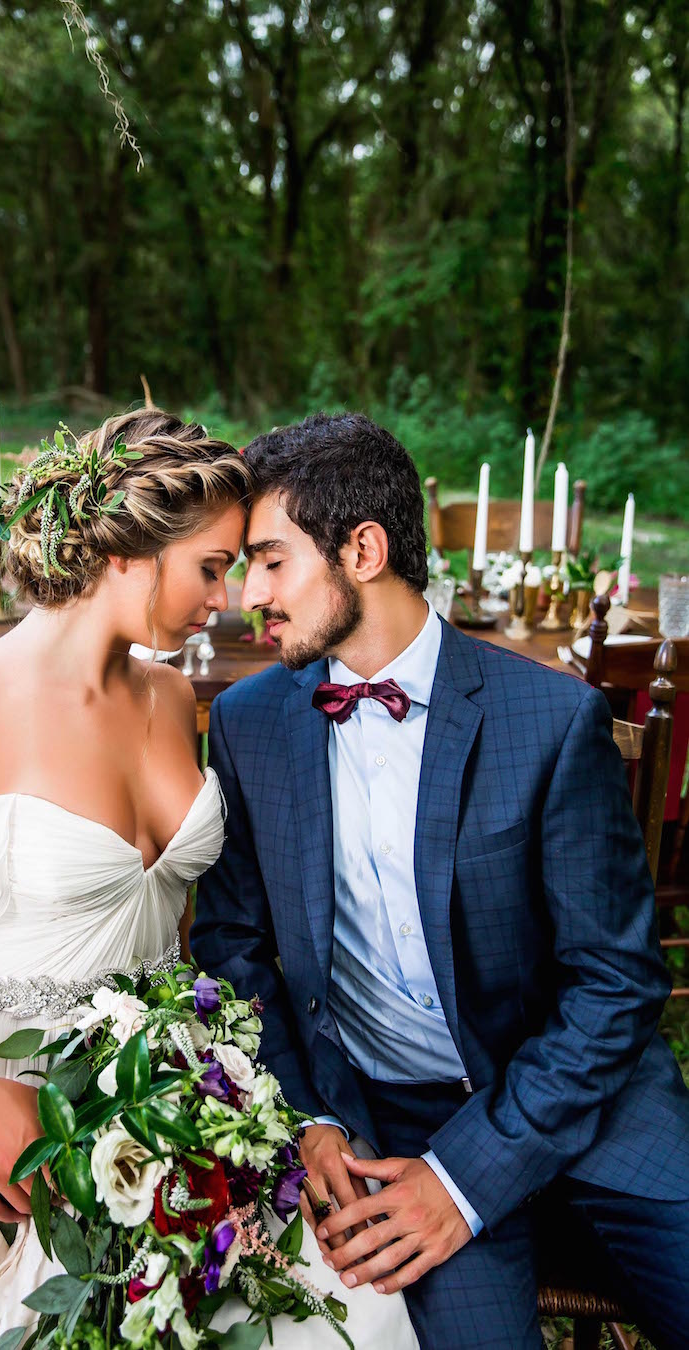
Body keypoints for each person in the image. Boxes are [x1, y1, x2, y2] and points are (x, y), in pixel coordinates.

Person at [0, 408, 417, 1350]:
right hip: (9, 1081)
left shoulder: (169, 696)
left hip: (175, 1071)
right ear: (130, 549)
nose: (231, 597)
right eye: (212, 565)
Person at [192, 411, 689, 1350]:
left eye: (269, 561)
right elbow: (236, 948)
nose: (245, 594)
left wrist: (468, 1179)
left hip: (586, 1098)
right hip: (389, 1126)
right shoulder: (250, 724)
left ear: (364, 550)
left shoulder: (551, 720)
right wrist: (308, 1119)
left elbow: (616, 985)